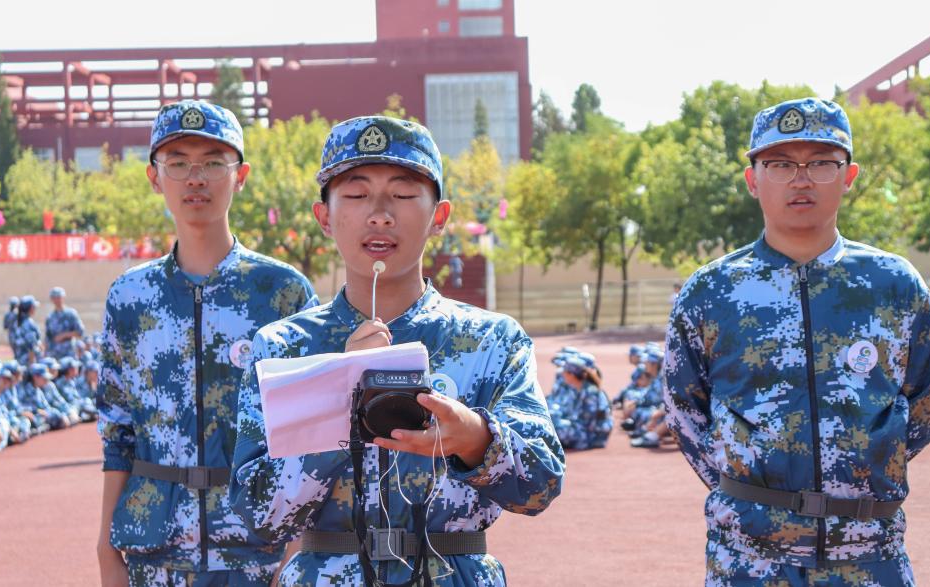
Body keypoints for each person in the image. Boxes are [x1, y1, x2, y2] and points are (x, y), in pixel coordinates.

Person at [228, 116, 565, 586]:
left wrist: (474, 438)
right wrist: (339, 393)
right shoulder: (283, 347)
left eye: (404, 195)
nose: (380, 214)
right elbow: (257, 514)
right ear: (324, 217)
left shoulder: (491, 340)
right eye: (356, 194)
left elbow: (541, 486)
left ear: (438, 217)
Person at [664, 98, 930, 585]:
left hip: (869, 555)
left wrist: (859, 474)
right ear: (753, 180)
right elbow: (683, 410)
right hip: (750, 558)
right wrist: (755, 495)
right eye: (780, 164)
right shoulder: (711, 292)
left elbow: (926, 405)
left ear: (848, 176)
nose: (801, 179)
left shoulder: (894, 285)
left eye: (821, 163)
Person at [96, 99, 318, 587]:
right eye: (178, 163)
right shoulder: (130, 297)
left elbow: (311, 434)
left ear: (241, 176)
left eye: (214, 163)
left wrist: (298, 551)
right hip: (155, 556)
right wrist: (105, 547)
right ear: (154, 177)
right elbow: (117, 432)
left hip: (257, 555)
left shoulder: (282, 293)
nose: (195, 178)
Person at [551, 355, 612, 450]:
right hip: (584, 431)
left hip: (592, 437)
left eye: (565, 372)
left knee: (552, 429)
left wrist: (563, 423)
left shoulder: (590, 392)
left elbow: (588, 423)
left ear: (572, 374)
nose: (562, 374)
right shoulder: (578, 389)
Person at [45, 287, 85, 359]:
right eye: (54, 298)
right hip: (53, 354)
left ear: (63, 298)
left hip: (69, 354)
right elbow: (47, 338)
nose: (57, 300)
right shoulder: (50, 317)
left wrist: (64, 335)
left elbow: (80, 332)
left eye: (59, 297)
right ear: (51, 299)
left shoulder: (71, 314)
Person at [12, 296, 43, 365]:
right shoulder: (28, 323)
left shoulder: (18, 321)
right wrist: (32, 364)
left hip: (20, 359)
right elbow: (31, 345)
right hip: (29, 361)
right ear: (31, 308)